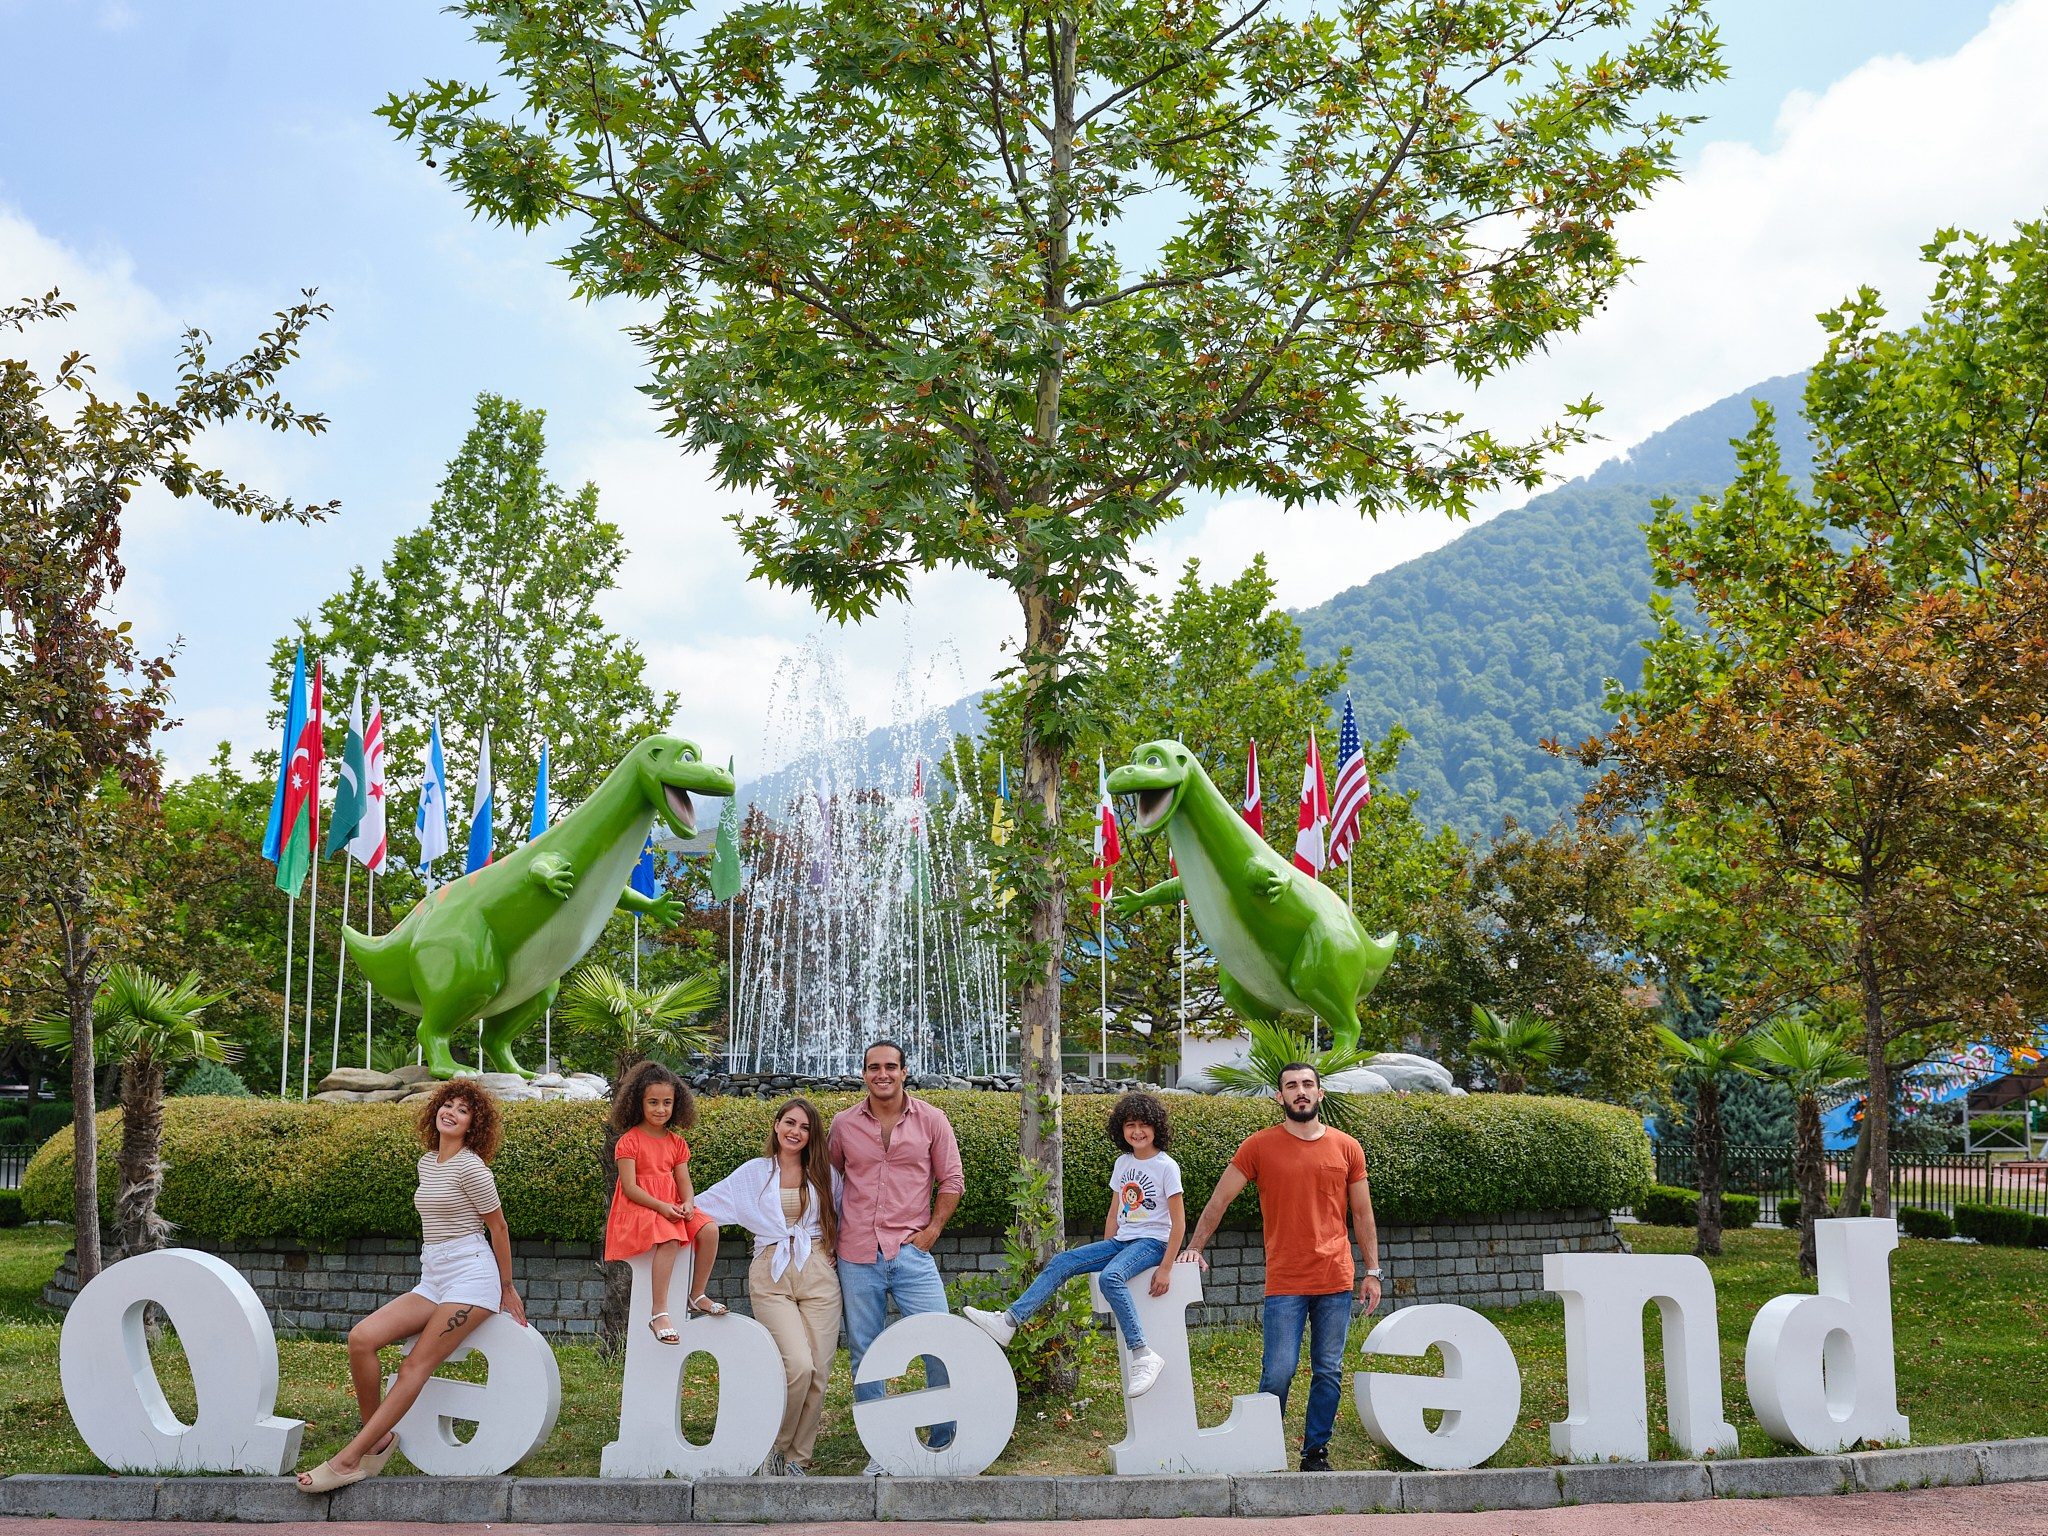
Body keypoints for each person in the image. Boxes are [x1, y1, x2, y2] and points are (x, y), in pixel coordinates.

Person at [297, 1080, 528, 1492]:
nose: (451, 1112)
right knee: (362, 1339)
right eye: (447, 1105)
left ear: (474, 1124)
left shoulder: (474, 1168)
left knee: (414, 1366)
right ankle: (379, 1437)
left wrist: (506, 1287)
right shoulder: (428, 1163)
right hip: (434, 1275)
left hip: (472, 1275)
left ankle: (351, 1458)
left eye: (463, 1109)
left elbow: (500, 1227)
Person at [1180, 1061, 1381, 1472]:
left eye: (1308, 1084)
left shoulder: (1347, 1147)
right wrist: (1194, 1246)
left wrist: (1373, 1271)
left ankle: (1315, 1454)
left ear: (1320, 1093)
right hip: (1285, 1280)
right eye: (1291, 1086)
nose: (1300, 1091)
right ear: (1280, 1097)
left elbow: (1362, 1215)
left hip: (1336, 1278)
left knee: (1328, 1371)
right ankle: (1263, 1449)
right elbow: (1220, 1201)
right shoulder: (1258, 1147)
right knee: (1279, 1371)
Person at [963, 1090, 1183, 1397]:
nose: (1137, 1131)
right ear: (1121, 1129)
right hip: (1123, 1242)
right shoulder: (1123, 1163)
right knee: (1062, 1262)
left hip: (1153, 1243)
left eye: (1144, 1124)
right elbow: (1114, 1213)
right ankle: (1009, 1322)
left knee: (1112, 1277)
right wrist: (1109, 1250)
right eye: (1130, 1124)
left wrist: (1167, 1268)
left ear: (1156, 1127)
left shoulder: (1166, 1166)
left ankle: (1143, 1354)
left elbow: (1179, 1223)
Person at [827, 1038, 964, 1469]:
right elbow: (828, 1184)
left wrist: (933, 1230)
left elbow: (953, 1180)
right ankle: (881, 1448)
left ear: (905, 1071)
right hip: (857, 1254)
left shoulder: (932, 1120)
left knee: (938, 1345)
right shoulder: (843, 1125)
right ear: (863, 1073)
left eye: (890, 1066)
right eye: (873, 1067)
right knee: (865, 1352)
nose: (881, 1074)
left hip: (911, 1254)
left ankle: (944, 1442)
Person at [693, 1098, 842, 1478]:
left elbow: (849, 1216)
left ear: (812, 1136)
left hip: (818, 1270)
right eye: (790, 1123)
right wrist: (654, 1207)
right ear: (776, 1125)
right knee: (797, 1365)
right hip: (771, 1271)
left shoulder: (825, 1174)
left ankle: (796, 1460)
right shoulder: (753, 1173)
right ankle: (772, 1449)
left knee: (819, 1374)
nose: (796, 1132)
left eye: (805, 1127)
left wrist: (836, 1249)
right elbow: (701, 1207)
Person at [606, 1060, 723, 1339]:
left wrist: (688, 1204)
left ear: (676, 1104)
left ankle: (696, 1295)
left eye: (667, 1103)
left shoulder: (676, 1142)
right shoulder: (629, 1141)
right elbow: (630, 1188)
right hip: (638, 1208)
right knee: (669, 1239)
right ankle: (659, 1312)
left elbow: (684, 1182)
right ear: (638, 1103)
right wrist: (661, 1206)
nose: (661, 1109)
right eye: (653, 1102)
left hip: (669, 1205)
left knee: (709, 1230)